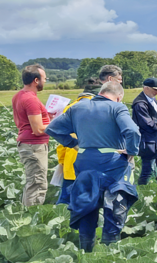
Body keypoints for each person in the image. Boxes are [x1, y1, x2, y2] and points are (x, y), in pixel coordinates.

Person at [46, 80, 140, 250]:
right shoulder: (117, 108)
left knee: (86, 207)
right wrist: (131, 152)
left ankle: (86, 252)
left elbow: (52, 128)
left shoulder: (77, 107)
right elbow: (132, 131)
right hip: (112, 164)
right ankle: (109, 252)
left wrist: (72, 142)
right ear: (118, 97)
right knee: (114, 209)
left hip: (84, 162)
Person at [55, 63, 123, 206]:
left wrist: (62, 161)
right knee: (90, 203)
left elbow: (61, 140)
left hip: (70, 163)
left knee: (65, 202)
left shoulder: (70, 107)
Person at [12, 64, 51, 206]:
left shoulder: (19, 95)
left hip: (27, 143)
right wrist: (58, 122)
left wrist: (48, 117)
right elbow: (38, 130)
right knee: (37, 184)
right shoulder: (31, 99)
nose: (45, 81)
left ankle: (26, 214)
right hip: (34, 146)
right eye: (44, 78)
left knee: (32, 182)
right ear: (36, 80)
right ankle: (32, 223)